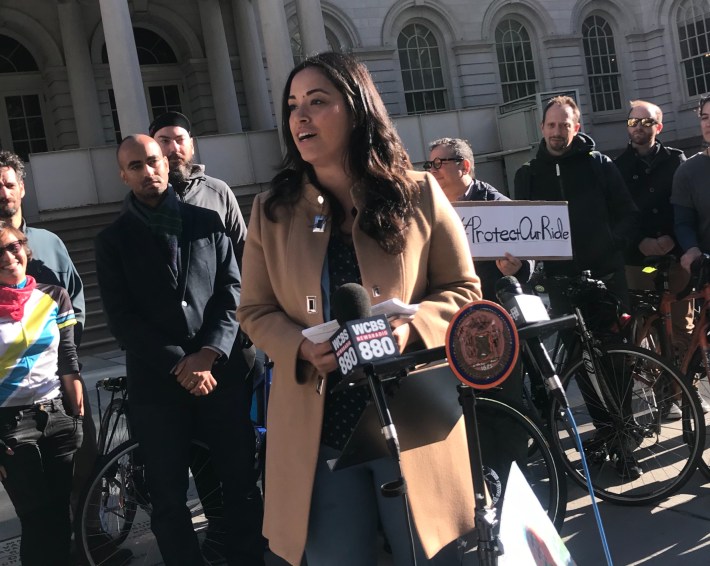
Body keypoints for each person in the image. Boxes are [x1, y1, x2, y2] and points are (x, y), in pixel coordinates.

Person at [237, 52, 481, 566]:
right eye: (292, 105)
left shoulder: (419, 193)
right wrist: (299, 346)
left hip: (409, 420)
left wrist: (408, 332)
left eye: (317, 102)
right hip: (318, 430)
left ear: (356, 108)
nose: (300, 116)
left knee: (432, 557)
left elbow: (463, 291)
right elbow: (255, 310)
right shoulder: (270, 211)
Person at [95, 135, 263, 566]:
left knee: (240, 483)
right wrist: (180, 363)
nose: (147, 171)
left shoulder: (207, 221)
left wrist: (209, 352)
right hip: (158, 386)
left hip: (220, 379)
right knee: (169, 499)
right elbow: (122, 319)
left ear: (167, 165)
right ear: (123, 175)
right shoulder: (111, 241)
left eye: (153, 161)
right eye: (135, 165)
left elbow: (232, 292)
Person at [514, 95, 641, 478]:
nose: (557, 132)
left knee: (616, 361)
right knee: (577, 366)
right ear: (541, 128)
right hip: (561, 283)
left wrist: (606, 246)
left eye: (564, 125)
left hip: (605, 277)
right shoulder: (528, 173)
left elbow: (628, 216)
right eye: (551, 126)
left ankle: (625, 440)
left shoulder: (599, 165)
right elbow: (523, 232)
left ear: (577, 127)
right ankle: (604, 433)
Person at [0, 150, 94, 511]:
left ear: (22, 188)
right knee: (37, 509)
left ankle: (92, 540)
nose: (4, 192)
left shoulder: (50, 242)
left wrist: (62, 358)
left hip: (59, 383)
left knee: (84, 462)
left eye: (9, 184)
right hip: (11, 407)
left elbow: (76, 302)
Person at [0, 221, 83, 565]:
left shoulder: (54, 296)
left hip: (58, 417)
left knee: (61, 516)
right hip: (11, 425)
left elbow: (67, 357)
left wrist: (76, 412)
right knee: (35, 519)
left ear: (25, 249)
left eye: (13, 246)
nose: (8, 256)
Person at [614, 100, 694, 416]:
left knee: (681, 326)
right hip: (639, 261)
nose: (639, 127)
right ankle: (645, 391)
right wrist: (640, 242)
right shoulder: (616, 167)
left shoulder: (677, 161)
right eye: (633, 122)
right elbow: (616, 215)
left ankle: (678, 393)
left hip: (672, 257)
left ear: (658, 127)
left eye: (646, 122)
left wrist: (671, 238)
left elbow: (686, 207)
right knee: (640, 327)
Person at [426, 137, 533, 301]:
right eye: (430, 165)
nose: (433, 170)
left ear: (464, 166)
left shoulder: (496, 204)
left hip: (492, 304)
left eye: (439, 163)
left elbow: (530, 247)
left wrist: (518, 268)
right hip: (449, 304)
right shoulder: (428, 205)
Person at [149, 111, 248, 268]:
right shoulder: (146, 199)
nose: (174, 148)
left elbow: (243, 251)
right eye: (165, 141)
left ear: (191, 145)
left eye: (180, 140)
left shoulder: (219, 192)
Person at [673, 95, 710, 274]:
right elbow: (683, 223)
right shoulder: (687, 171)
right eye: (704, 117)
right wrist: (691, 248)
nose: (708, 123)